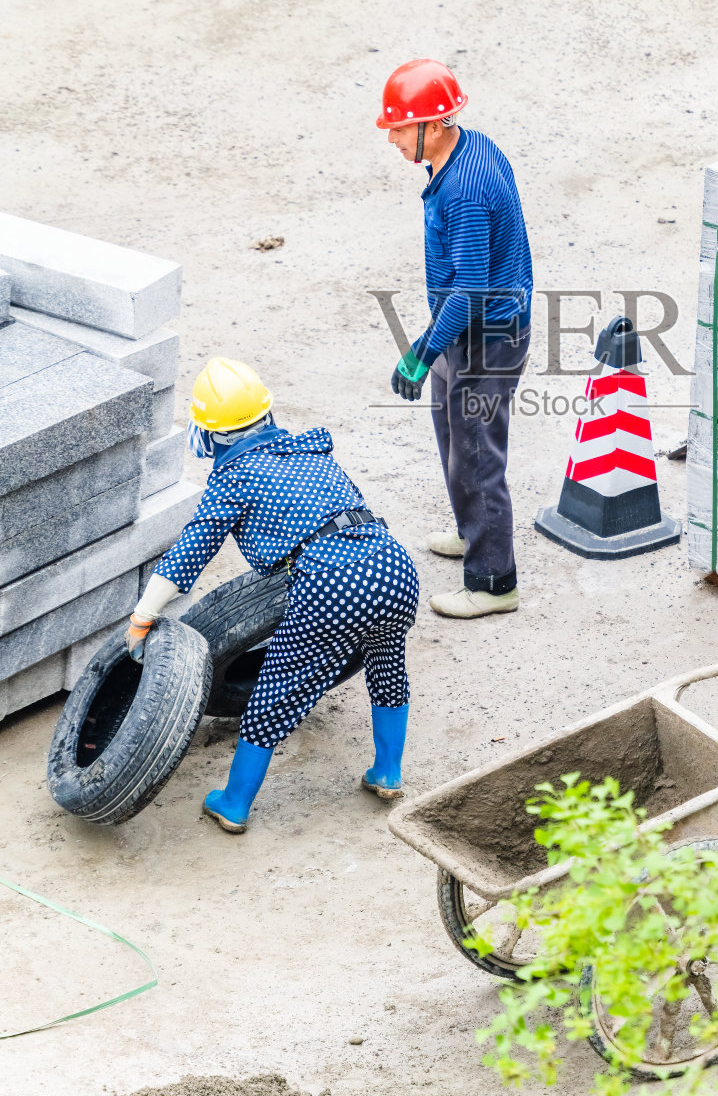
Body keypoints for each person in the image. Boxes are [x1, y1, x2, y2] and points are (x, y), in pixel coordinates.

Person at [125, 357, 419, 832]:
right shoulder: (311, 452)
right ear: (266, 412)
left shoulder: (235, 478)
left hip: (331, 585)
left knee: (275, 694)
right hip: (393, 567)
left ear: (211, 432)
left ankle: (233, 803)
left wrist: (143, 615)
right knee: (387, 664)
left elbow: (189, 553)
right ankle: (387, 772)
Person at [377, 58, 534, 621]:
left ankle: (494, 582)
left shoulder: (463, 189)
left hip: (484, 337)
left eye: (401, 128)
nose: (393, 139)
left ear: (435, 124)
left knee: (476, 456)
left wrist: (421, 351)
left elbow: (470, 290)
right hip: (464, 331)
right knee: (453, 434)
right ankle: (473, 529)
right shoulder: (471, 146)